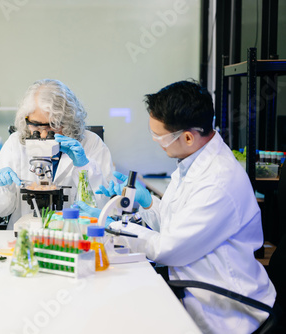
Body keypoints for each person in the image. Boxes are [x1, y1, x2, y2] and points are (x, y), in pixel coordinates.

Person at [77, 80, 276, 333]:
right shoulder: (193, 161)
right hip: (196, 287)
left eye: (159, 136)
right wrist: (147, 203)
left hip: (228, 310)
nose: (156, 141)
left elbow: (168, 248)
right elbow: (176, 223)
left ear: (188, 136)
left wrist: (111, 223)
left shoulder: (218, 181)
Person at [0, 79, 114, 229]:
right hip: (25, 237)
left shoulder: (91, 144)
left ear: (68, 121)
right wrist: (3, 188)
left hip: (74, 236)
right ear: (26, 119)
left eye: (53, 125)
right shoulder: (15, 143)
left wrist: (85, 168)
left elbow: (103, 208)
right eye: (35, 125)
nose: (43, 134)